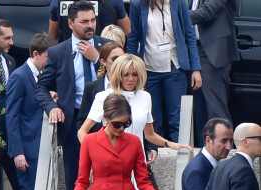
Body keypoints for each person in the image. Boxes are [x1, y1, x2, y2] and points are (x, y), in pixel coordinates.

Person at [78, 54, 192, 190]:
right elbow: (83, 131)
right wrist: (95, 157)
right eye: (126, 74)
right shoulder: (103, 97)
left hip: (135, 165)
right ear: (118, 74)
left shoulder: (145, 97)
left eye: (135, 74)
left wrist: (170, 144)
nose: (130, 79)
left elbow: (149, 134)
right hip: (110, 166)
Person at [35, 1, 111, 190]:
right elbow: (41, 87)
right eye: (84, 22)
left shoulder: (107, 47)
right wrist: (52, 107)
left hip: (106, 124)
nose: (91, 26)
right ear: (70, 24)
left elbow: (123, 76)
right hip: (74, 125)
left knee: (107, 180)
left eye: (93, 20)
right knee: (76, 180)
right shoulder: (58, 52)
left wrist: (98, 58)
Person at [0, 33, 56, 190]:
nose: (50, 62)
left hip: (38, 147)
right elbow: (11, 116)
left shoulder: (39, 76)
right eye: (48, 57)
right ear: (36, 54)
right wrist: (18, 152)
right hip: (26, 149)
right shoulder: (19, 76)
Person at [127, 0, 202, 142]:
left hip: (175, 67)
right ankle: (155, 156)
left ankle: (179, 157)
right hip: (148, 69)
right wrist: (131, 69)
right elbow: (133, 38)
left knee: (176, 119)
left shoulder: (178, 3)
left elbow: (189, 36)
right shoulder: (138, 5)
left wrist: (195, 68)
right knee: (153, 119)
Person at [188, 0, 239, 147]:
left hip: (212, 53)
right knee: (199, 111)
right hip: (194, 50)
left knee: (215, 110)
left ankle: (225, 157)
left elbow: (206, 13)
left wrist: (173, 13)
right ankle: (205, 155)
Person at [0, 19, 20, 190]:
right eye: (7, 38)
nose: (12, 42)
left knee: (21, 189)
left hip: (11, 138)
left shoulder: (10, 61)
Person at [77, 42, 124, 132]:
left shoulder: (132, 86)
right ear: (103, 62)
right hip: (100, 141)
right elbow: (82, 123)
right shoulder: (91, 88)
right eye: (115, 59)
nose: (120, 62)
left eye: (122, 58)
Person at [48, 0, 131, 42]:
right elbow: (127, 30)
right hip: (105, 59)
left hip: (68, 58)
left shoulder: (57, 2)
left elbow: (52, 36)